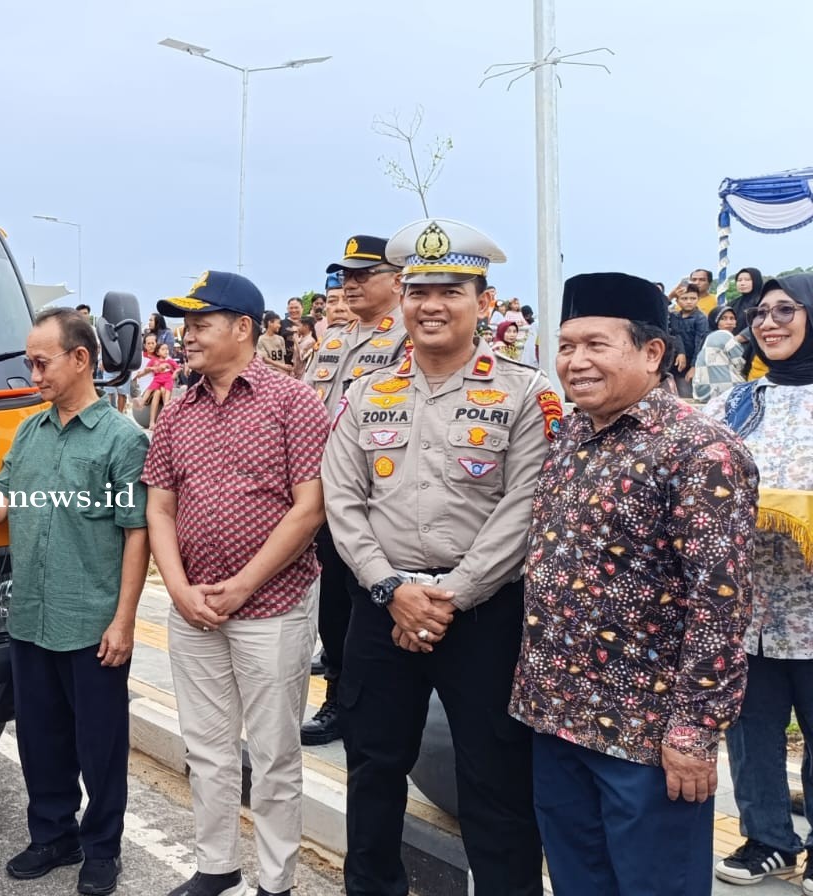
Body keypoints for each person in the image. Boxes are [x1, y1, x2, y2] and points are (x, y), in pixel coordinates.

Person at [511, 272, 758, 896]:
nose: (575, 361)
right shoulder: (572, 436)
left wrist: (694, 731)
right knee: (576, 881)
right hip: (558, 716)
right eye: (566, 346)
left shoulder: (701, 451)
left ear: (652, 353)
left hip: (646, 737)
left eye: (596, 344)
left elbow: (721, 604)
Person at [325, 219, 548, 895]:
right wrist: (392, 589)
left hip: (482, 615)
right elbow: (344, 501)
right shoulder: (367, 393)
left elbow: (526, 506)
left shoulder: (527, 393)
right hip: (382, 605)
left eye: (449, 290)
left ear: (483, 301)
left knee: (496, 778)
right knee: (372, 768)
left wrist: (449, 595)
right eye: (419, 289)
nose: (430, 304)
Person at [0, 307, 148, 896]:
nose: (32, 374)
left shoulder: (123, 439)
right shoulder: (30, 432)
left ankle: (101, 848)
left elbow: (137, 531)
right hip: (31, 615)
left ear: (81, 359)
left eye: (41, 362)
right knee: (40, 739)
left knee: (100, 743)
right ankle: (52, 835)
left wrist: (124, 620)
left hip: (91, 621)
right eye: (29, 362)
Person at [144, 271, 329, 896]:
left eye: (200, 324)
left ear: (243, 328)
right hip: (194, 609)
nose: (186, 336)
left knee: (275, 755)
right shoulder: (177, 410)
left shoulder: (292, 401)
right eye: (184, 325)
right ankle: (216, 866)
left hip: (273, 608)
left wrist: (244, 585)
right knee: (207, 747)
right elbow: (160, 507)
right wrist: (177, 588)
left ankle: (276, 881)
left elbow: (310, 507)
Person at [705, 274, 813, 888]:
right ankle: (769, 838)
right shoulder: (737, 402)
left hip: (811, 603)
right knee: (751, 732)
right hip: (749, 608)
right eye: (760, 313)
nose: (769, 323)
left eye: (785, 310)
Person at [305, 234, 412, 748]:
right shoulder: (331, 340)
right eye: (345, 275)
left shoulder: (407, 339)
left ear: (398, 281)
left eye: (362, 274)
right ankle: (337, 700)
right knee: (334, 608)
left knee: (369, 604)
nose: (350, 284)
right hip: (326, 498)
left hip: (379, 501)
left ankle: (363, 706)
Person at [695, 306, 749, 401]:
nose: (729, 322)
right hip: (727, 391)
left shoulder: (708, 337)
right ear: (715, 322)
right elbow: (741, 364)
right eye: (723, 319)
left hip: (703, 393)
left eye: (732, 318)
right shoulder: (724, 334)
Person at [670, 284, 711, 398]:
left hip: (691, 365)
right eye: (684, 298)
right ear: (677, 301)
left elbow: (700, 343)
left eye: (693, 298)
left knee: (686, 395)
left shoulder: (700, 318)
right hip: (675, 363)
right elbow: (674, 334)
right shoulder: (674, 316)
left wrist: (694, 367)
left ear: (698, 299)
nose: (689, 302)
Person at [142, 341, 179, 429]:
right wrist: (154, 368)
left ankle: (163, 421)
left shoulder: (169, 361)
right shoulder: (153, 361)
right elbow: (145, 370)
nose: (166, 351)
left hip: (165, 384)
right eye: (163, 349)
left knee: (162, 393)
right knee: (157, 392)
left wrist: (174, 373)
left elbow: (177, 369)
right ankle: (152, 420)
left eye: (167, 349)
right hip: (155, 384)